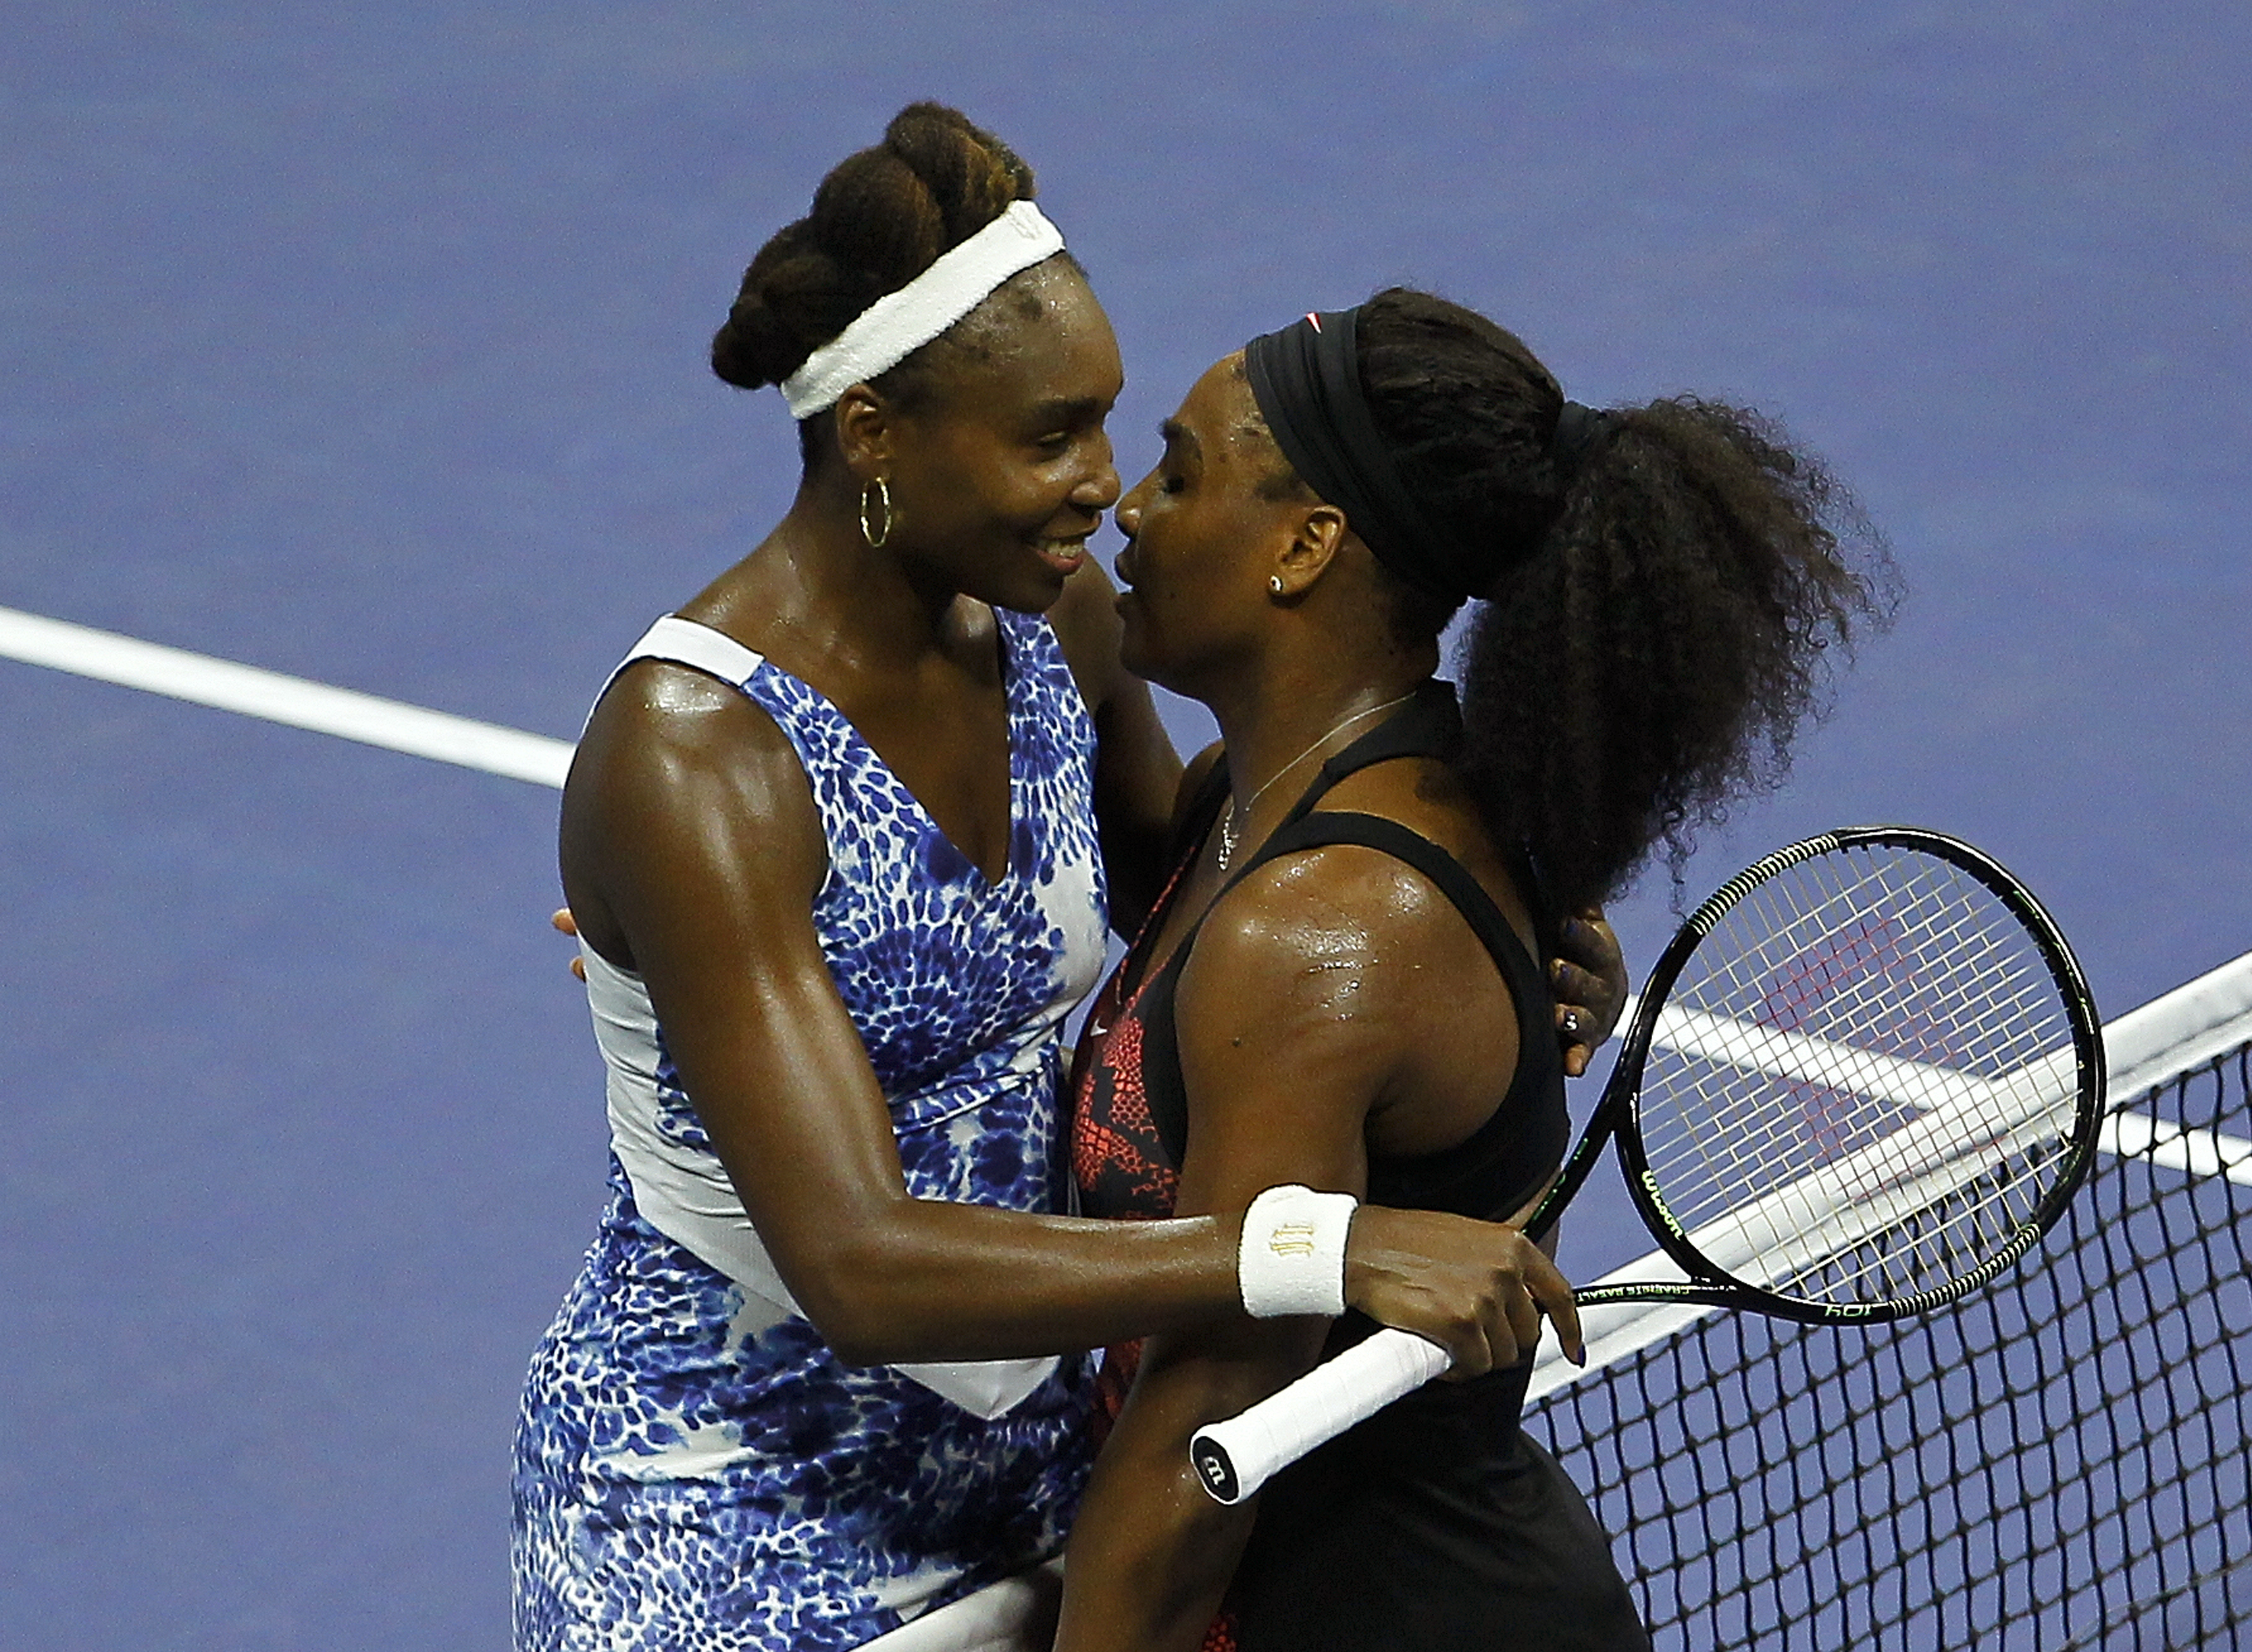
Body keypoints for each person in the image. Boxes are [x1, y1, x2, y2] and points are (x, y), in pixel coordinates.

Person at [512, 107, 1622, 1652]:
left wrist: (1487, 945)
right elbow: (859, 1263)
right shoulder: (696, 757)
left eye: (1106, 423)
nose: (1103, 485)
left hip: (1037, 1457)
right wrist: (1325, 1241)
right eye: (1049, 437)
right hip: (737, 1505)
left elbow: (1191, 884)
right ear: (875, 436)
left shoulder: (1058, 627)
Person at [1052, 292, 1894, 1651]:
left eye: (1181, 471)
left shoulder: (1322, 930)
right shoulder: (1272, 800)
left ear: (1305, 546)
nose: (1129, 509)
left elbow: (1200, 1438)